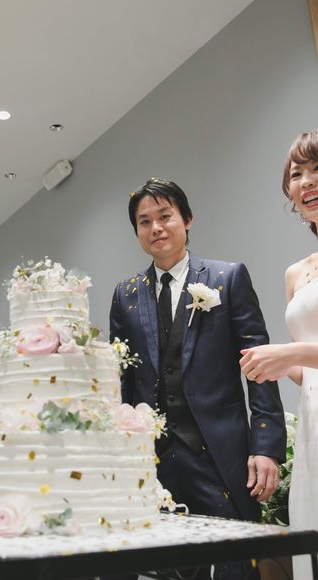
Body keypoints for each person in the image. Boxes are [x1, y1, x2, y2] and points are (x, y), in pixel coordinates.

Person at [109, 178, 286, 579]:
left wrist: (266, 446)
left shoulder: (228, 277)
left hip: (220, 454)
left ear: (187, 219)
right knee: (165, 566)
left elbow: (259, 367)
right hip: (154, 461)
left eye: (165, 216)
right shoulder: (125, 295)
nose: (156, 227)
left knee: (235, 564)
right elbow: (120, 382)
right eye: (144, 221)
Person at [239, 130, 318, 580]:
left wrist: (289, 352)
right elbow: (307, 372)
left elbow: (299, 352)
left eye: (317, 170)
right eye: (297, 174)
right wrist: (277, 364)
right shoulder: (296, 273)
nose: (307, 181)